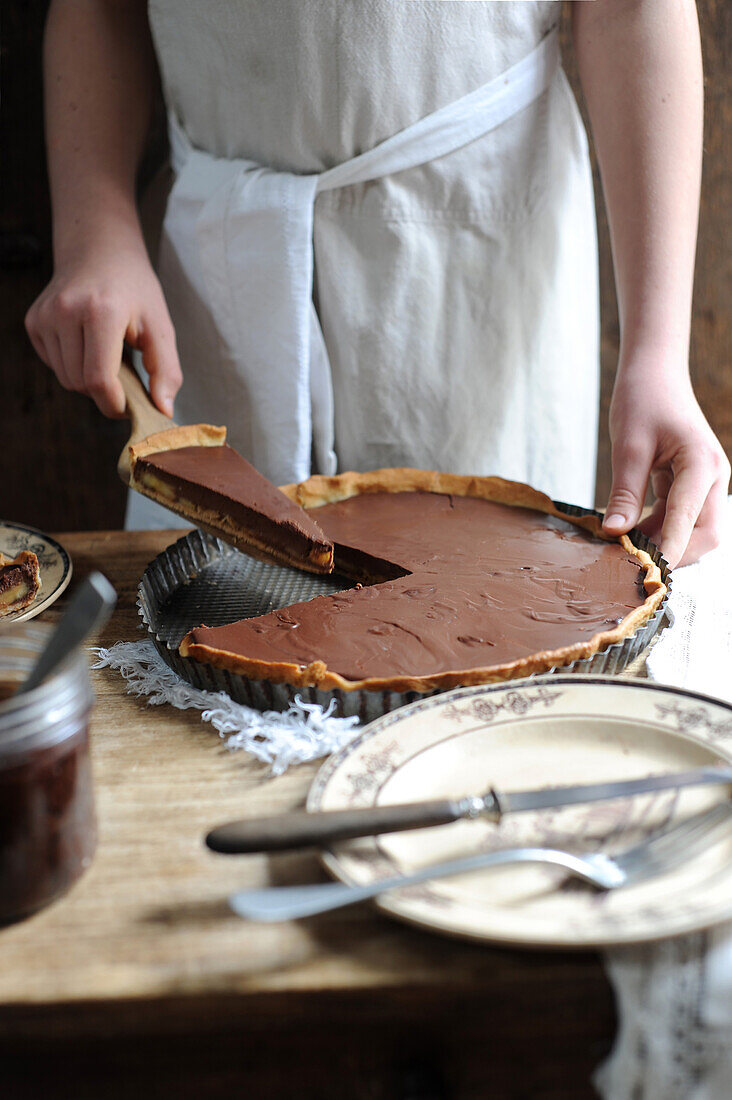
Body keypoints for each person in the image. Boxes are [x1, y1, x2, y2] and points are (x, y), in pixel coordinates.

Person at [25, 0, 729, 568]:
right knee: (215, 616)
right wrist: (95, 228)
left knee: (499, 615)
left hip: (483, 262)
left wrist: (657, 353)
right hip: (218, 266)